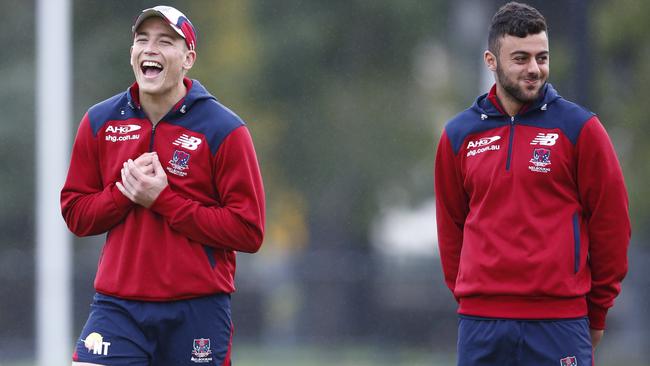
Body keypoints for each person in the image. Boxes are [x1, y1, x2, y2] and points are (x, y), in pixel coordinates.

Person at [61, 5, 265, 365]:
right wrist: (125, 192)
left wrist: (164, 200)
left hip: (197, 309)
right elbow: (77, 215)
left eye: (165, 41)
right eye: (143, 40)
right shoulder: (100, 122)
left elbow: (248, 230)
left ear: (188, 58)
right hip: (117, 307)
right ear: (132, 53)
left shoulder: (225, 130)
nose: (151, 48)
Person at [434, 2, 630, 365]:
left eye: (542, 57)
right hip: (482, 326)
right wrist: (472, 298)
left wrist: (597, 310)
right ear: (491, 61)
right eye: (521, 58)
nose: (534, 69)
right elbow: (451, 229)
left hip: (559, 322)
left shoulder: (581, 130)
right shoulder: (458, 136)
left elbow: (612, 226)